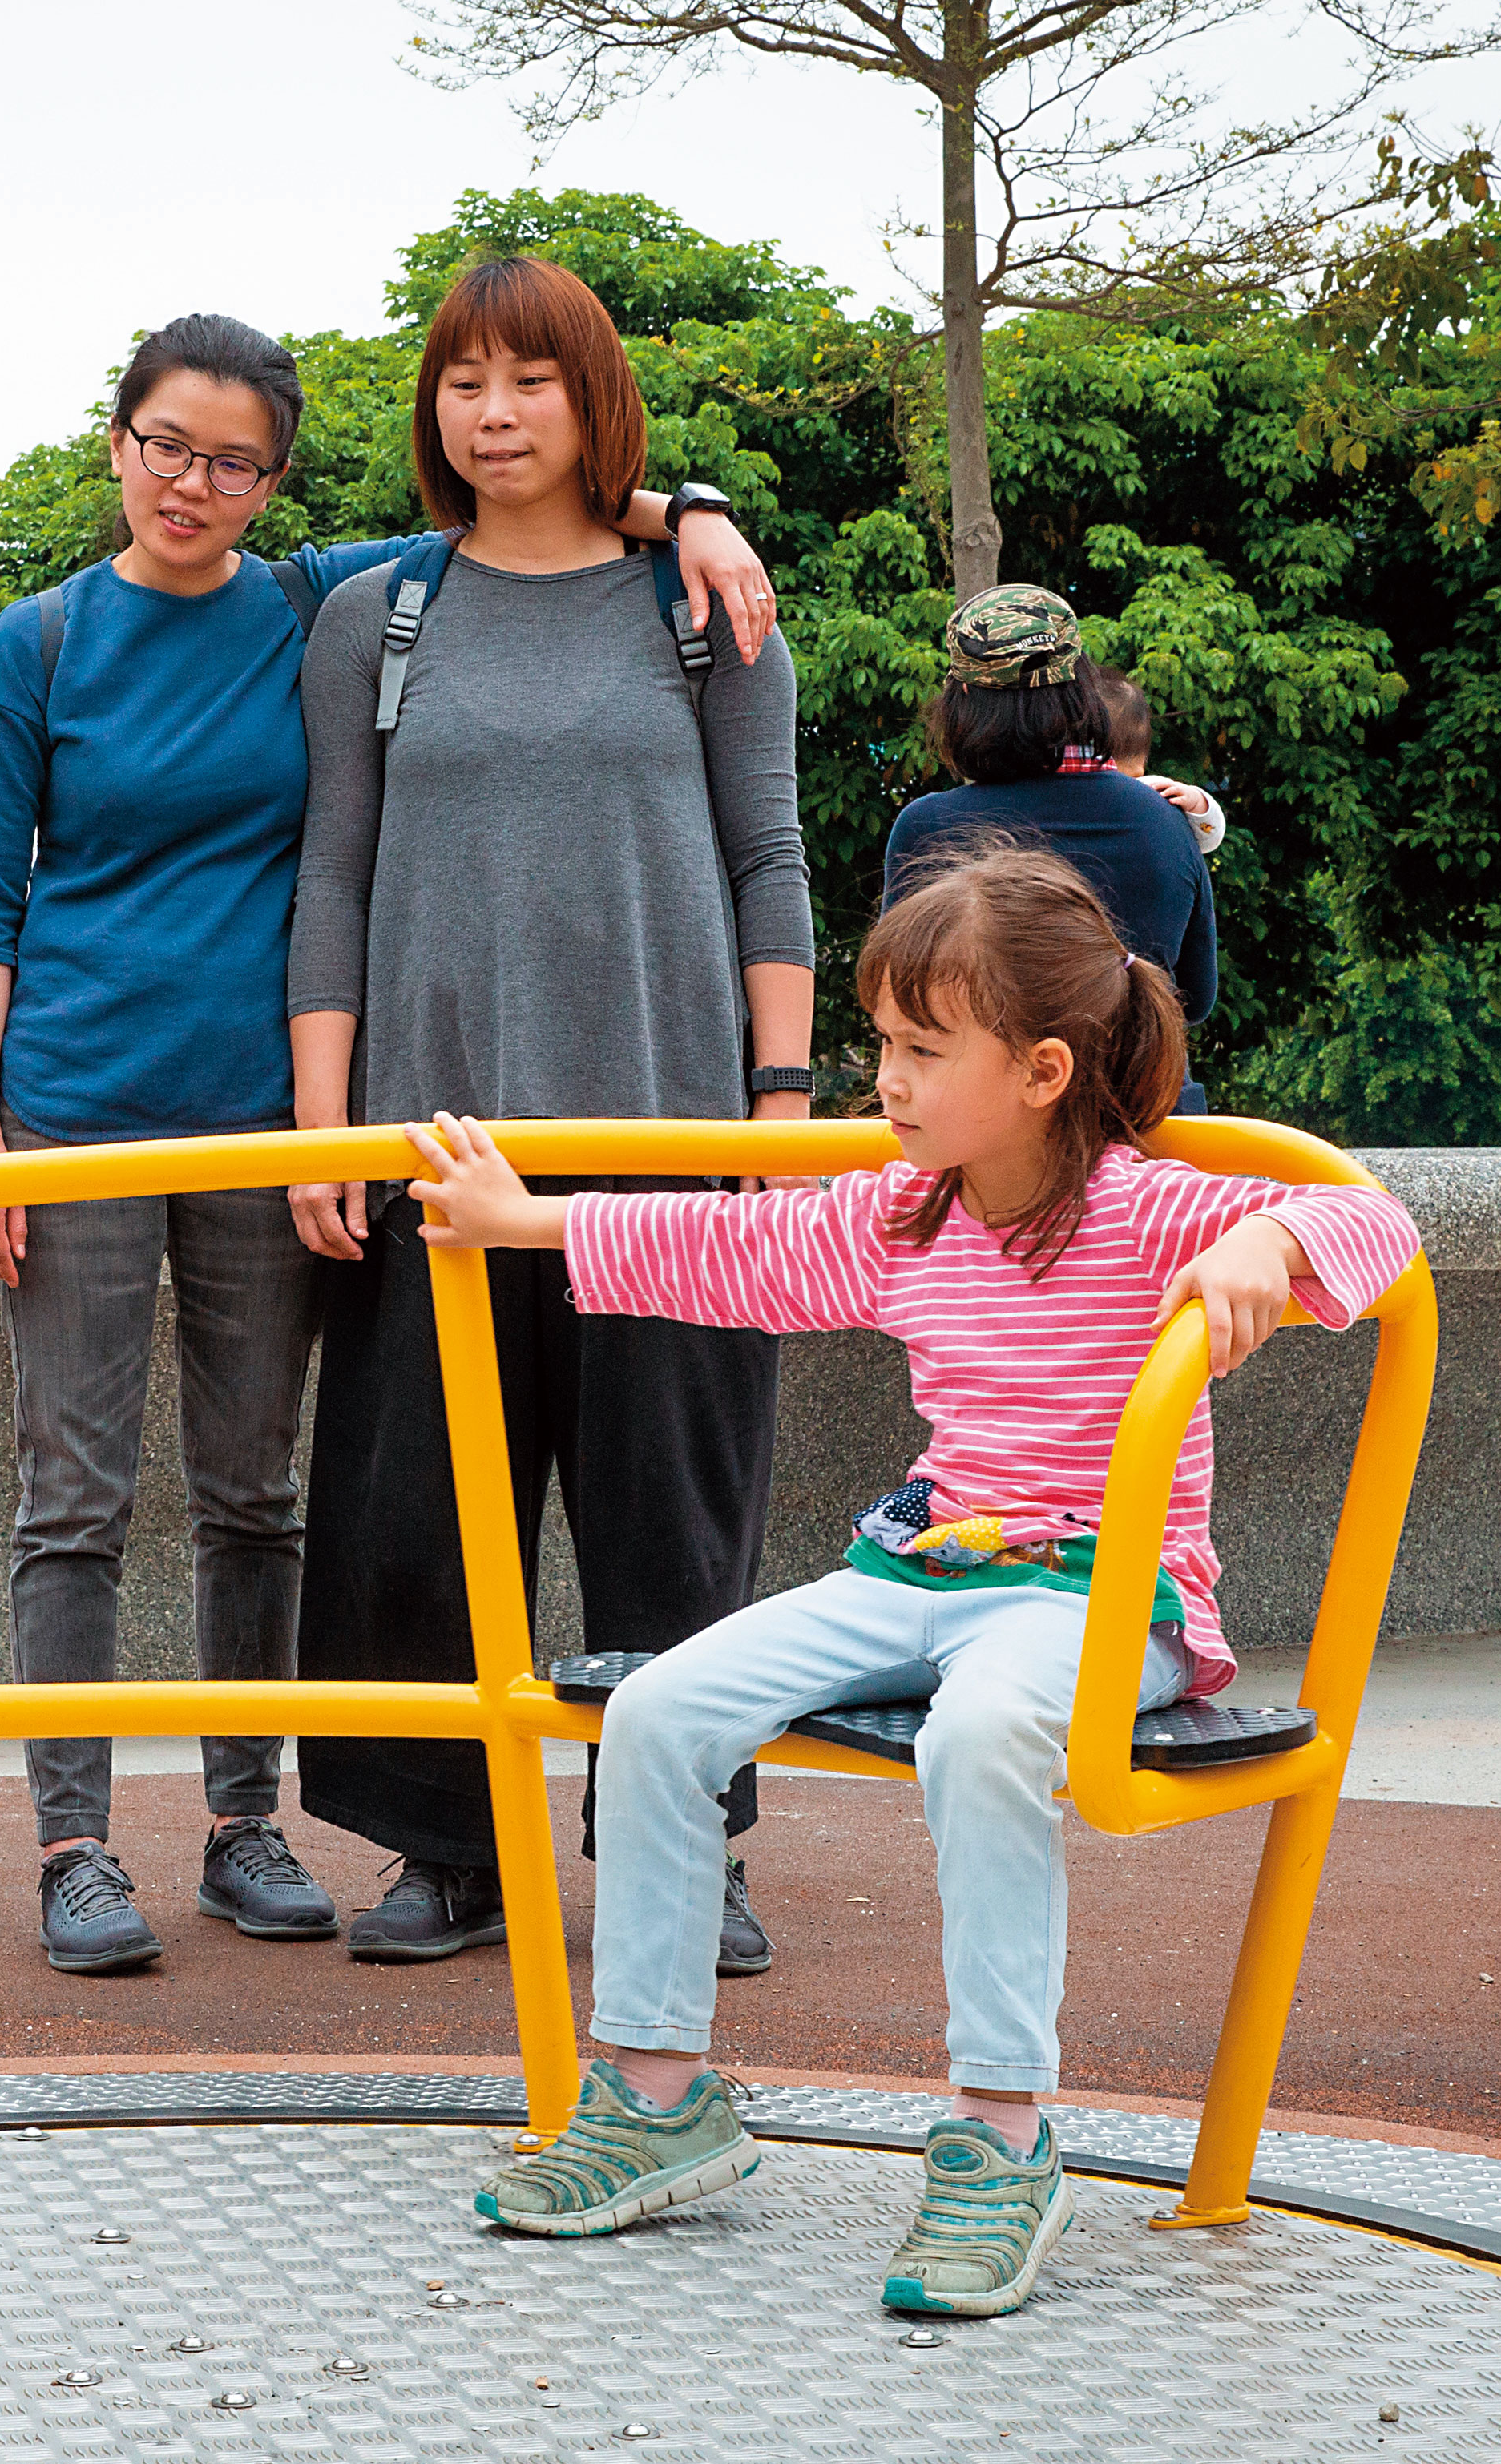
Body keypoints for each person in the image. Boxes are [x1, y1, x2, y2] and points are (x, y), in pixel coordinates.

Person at [414, 841, 1418, 2317]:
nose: (882, 1076)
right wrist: (527, 1220)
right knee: (665, 1709)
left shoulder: (1148, 1209)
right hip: (923, 1564)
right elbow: (736, 1243)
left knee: (983, 1730)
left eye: (920, 1047)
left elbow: (1377, 1223)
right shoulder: (909, 1210)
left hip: (1099, 1590)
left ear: (1041, 1069)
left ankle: (1003, 2132)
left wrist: (1268, 1232)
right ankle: (658, 2090)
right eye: (880, 1039)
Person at [0, 310, 778, 1977]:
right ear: (115, 440)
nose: (194, 480)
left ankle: (352, 1824)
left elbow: (753, 826)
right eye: (167, 444)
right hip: (229, 1116)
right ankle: (186, 1843)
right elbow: (57, 893)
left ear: (274, 476)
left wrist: (691, 501)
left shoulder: (441, 603)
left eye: (234, 457)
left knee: (443, 1500)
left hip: (475, 1118)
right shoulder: (156, 633)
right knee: (221, 1498)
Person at [284, 256, 817, 1971]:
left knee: (673, 1506)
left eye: (532, 380)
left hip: (671, 1140)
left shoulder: (697, 602)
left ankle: (690, 1833)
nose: (495, 411)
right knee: (420, 1512)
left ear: (597, 401)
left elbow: (768, 855)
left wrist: (779, 1113)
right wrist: (323, 1130)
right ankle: (451, 1844)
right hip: (437, 1144)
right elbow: (335, 876)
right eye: (463, 381)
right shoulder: (381, 615)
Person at [883, 586, 1218, 1109]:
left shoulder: (927, 829)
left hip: (987, 1135)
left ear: (964, 700)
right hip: (1146, 1129)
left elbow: (902, 1006)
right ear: (1082, 687)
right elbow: (1194, 998)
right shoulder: (1165, 820)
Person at [1094, 670, 1227, 864]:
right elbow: (1210, 839)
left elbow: (1210, 837)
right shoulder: (1150, 791)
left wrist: (1196, 803)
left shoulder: (1154, 789)